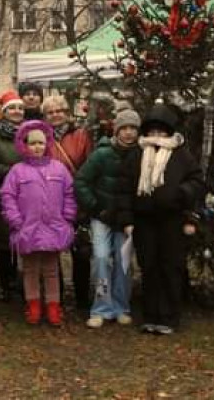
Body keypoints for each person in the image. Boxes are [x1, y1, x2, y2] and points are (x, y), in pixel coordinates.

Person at [116, 103, 204, 335]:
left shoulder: (181, 154)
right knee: (149, 266)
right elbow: (124, 188)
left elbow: (196, 180)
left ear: (169, 132)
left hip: (172, 220)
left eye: (161, 132)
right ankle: (150, 314)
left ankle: (169, 316)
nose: (156, 137)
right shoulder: (137, 154)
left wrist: (182, 193)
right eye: (152, 132)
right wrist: (127, 219)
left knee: (171, 266)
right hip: (144, 220)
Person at [0, 121, 76, 326]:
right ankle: (33, 305)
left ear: (47, 144)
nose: (37, 147)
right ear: (25, 145)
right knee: (30, 270)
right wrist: (15, 220)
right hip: (28, 229)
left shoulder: (59, 169)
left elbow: (69, 193)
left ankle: (53, 306)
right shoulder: (17, 171)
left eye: (41, 143)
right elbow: (8, 196)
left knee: (51, 269)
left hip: (53, 228)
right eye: (32, 143)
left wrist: (67, 216)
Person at [75, 109, 141, 328]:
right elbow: (82, 181)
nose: (129, 133)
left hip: (126, 220)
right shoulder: (102, 154)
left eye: (133, 128)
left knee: (123, 263)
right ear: (117, 130)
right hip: (102, 216)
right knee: (102, 258)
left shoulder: (141, 155)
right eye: (125, 128)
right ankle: (101, 307)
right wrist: (95, 207)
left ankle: (121, 306)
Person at [42, 95, 94, 311]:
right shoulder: (41, 137)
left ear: (66, 112)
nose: (55, 115)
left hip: (76, 197)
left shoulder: (81, 135)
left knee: (80, 250)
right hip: (50, 200)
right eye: (50, 112)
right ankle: (57, 296)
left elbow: (89, 165)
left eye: (59, 110)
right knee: (52, 250)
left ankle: (82, 297)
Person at [0, 90, 26, 301]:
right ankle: (7, 284)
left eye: (20, 108)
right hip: (3, 192)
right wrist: (15, 171)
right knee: (3, 240)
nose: (17, 112)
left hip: (28, 195)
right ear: (4, 111)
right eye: (12, 108)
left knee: (27, 238)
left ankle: (27, 282)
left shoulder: (30, 132)